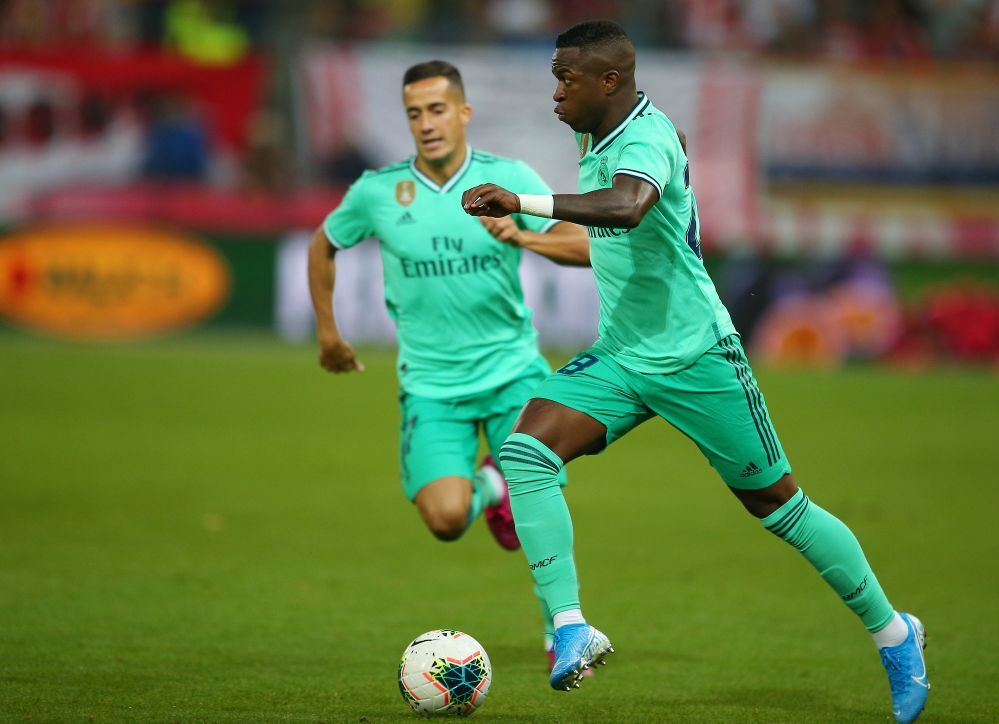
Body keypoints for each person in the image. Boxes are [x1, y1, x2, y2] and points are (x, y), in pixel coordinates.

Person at [461, 20, 929, 723]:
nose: (555, 93)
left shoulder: (643, 141)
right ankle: (570, 628)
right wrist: (535, 236)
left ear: (610, 81)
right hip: (622, 356)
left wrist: (522, 202)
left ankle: (894, 634)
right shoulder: (602, 131)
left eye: (566, 79)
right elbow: (616, 227)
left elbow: (627, 207)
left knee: (780, 508)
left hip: (697, 358)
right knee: (526, 452)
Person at [307, 60, 590, 663]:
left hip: (513, 372)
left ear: (463, 113)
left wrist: (524, 236)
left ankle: (561, 632)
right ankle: (493, 483)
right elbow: (323, 244)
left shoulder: (507, 179)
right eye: (415, 114)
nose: (427, 124)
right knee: (445, 518)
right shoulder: (379, 191)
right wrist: (329, 333)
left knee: (539, 490)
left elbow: (584, 241)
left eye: (437, 110)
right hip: (432, 387)